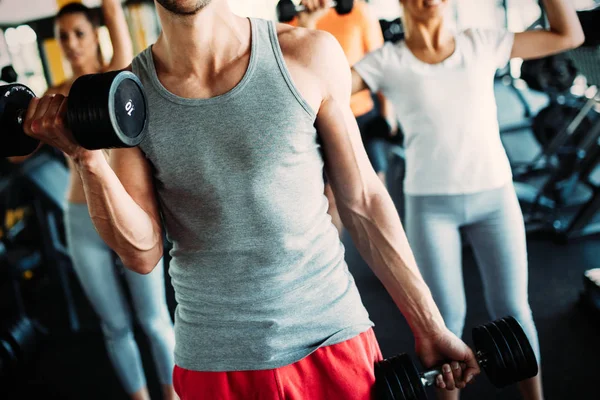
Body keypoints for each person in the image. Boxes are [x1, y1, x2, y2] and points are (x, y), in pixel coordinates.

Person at [21, 0, 485, 398]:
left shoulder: (308, 54)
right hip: (215, 363)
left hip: (332, 338)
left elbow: (362, 201)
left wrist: (428, 322)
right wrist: (88, 159)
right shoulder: (130, 94)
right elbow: (141, 253)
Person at [351, 0, 585, 399]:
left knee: (513, 310)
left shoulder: (482, 42)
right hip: (430, 208)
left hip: (495, 198)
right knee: (443, 323)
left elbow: (569, 34)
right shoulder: (385, 61)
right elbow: (317, 85)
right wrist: (309, 22)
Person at [11, 2, 177, 399]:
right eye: (63, 36)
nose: (70, 43)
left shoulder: (118, 73)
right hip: (79, 216)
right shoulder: (54, 96)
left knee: (154, 319)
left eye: (78, 33)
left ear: (96, 33)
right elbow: (18, 150)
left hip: (127, 211)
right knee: (114, 325)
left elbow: (114, 15)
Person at [290, 0, 396, 235]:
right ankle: (334, 268)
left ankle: (387, 264)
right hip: (319, 120)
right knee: (331, 198)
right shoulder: (295, 14)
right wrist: (308, 21)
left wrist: (388, 115)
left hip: (361, 115)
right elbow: (294, 67)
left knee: (374, 190)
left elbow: (380, 64)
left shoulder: (358, 11)